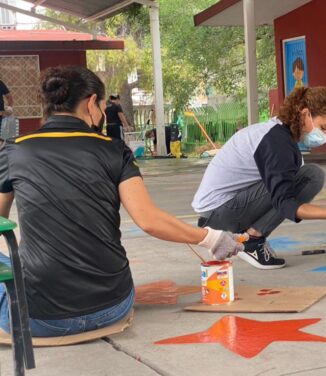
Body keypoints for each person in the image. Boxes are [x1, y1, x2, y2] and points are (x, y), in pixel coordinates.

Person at [0, 66, 244, 337]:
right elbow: (149, 221)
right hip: (112, 307)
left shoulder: (14, 149)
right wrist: (212, 238)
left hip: (35, 318)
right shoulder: (114, 150)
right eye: (104, 106)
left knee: (10, 258)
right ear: (92, 102)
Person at [192, 87, 326, 270]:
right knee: (312, 176)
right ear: (305, 114)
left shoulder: (279, 134)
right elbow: (285, 203)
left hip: (222, 210)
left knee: (305, 175)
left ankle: (251, 236)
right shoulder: (276, 142)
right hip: (219, 215)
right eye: (324, 128)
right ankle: (252, 241)